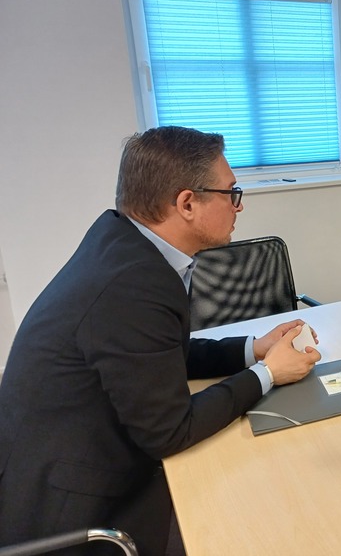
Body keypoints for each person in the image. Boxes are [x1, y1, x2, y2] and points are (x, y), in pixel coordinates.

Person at [0, 127, 321, 554]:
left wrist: (252, 349)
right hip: (76, 511)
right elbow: (169, 431)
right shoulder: (131, 283)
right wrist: (268, 374)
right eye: (231, 193)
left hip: (74, 461)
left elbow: (159, 351)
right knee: (256, 513)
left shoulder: (125, 242)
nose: (239, 206)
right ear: (187, 203)